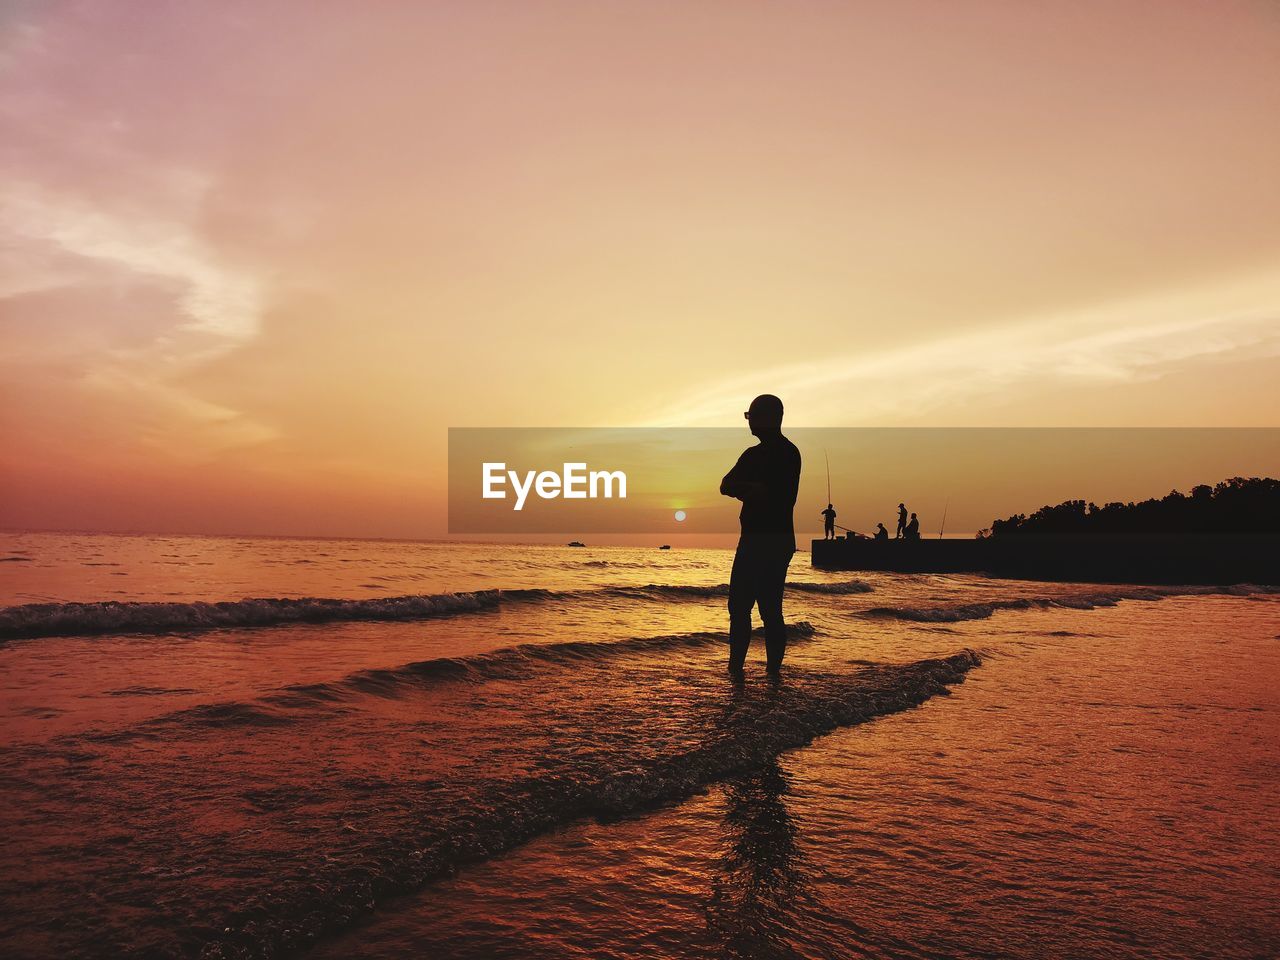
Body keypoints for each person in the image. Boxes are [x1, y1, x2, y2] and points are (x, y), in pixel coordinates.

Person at [720, 394, 801, 677]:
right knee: (738, 608)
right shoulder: (751, 455)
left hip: (774, 542)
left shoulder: (788, 453)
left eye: (752, 415)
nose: (749, 422)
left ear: (770, 418)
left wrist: (751, 489)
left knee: (769, 610)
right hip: (750, 540)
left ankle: (772, 674)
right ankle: (735, 671)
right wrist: (752, 489)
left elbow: (777, 496)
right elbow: (725, 485)